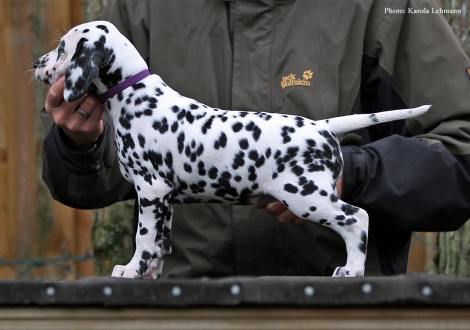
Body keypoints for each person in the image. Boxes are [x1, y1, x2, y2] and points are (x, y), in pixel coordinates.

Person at [41, 0, 470, 277]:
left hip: (343, 314)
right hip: (183, 313)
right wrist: (82, 146)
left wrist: (353, 172)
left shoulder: (388, 6)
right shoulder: (140, 10)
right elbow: (99, 181)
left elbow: (461, 153)